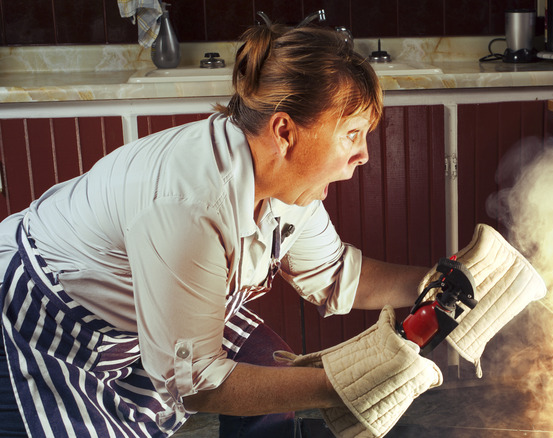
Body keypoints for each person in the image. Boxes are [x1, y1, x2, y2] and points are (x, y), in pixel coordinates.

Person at [0, 22, 432, 438]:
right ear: (285, 131)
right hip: (38, 321)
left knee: (270, 374)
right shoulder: (191, 203)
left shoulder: (285, 183)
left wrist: (443, 281)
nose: (363, 155)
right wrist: (347, 383)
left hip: (137, 314)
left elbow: (335, 273)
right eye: (352, 133)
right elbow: (200, 385)